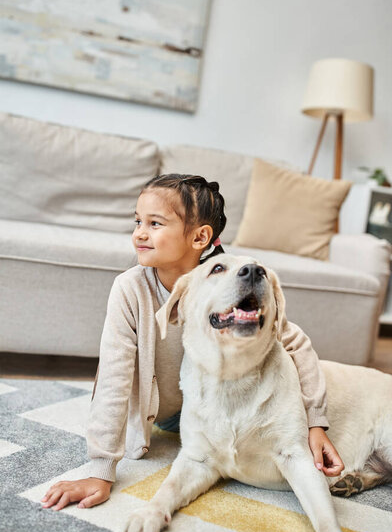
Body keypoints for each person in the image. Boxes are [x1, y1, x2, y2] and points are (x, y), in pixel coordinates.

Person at [41, 174, 344, 511]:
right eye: (138, 221)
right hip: (167, 413)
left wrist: (315, 422)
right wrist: (101, 471)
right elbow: (114, 378)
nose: (140, 232)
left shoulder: (226, 285)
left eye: (155, 223)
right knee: (111, 388)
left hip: (215, 407)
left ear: (201, 237)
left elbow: (295, 342)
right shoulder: (129, 290)